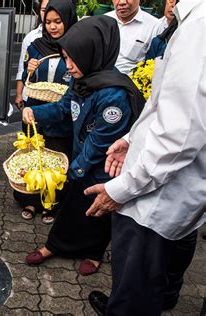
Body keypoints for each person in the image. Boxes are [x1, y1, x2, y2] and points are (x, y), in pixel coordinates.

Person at [84, 0, 205, 314]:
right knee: (155, 274)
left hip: (156, 197)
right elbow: (166, 104)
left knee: (136, 285)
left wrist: (122, 189)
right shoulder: (190, 20)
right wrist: (130, 138)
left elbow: (179, 135)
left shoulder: (199, 27)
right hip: (169, 188)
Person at [22, 15, 145, 276]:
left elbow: (99, 143)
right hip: (81, 159)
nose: (68, 66)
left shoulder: (114, 95)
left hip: (103, 167)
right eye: (65, 58)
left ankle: (93, 252)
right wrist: (36, 113)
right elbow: (65, 107)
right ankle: (55, 245)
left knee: (97, 212)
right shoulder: (82, 80)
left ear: (92, 53)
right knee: (71, 208)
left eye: (72, 58)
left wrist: (67, 173)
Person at [15, 0, 77, 225]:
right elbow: (25, 77)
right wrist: (28, 70)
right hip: (35, 111)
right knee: (33, 158)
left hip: (61, 115)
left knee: (56, 160)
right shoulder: (35, 46)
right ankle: (30, 199)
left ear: (68, 20)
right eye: (48, 21)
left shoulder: (75, 48)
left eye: (58, 22)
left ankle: (51, 203)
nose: (52, 26)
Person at [106, 0, 168, 74]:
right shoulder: (103, 21)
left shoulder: (155, 26)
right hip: (101, 79)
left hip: (131, 82)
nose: (122, 2)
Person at [14, 0, 46, 110]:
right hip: (31, 97)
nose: (46, 14)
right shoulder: (31, 37)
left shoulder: (68, 38)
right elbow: (22, 68)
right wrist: (19, 94)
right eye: (43, 10)